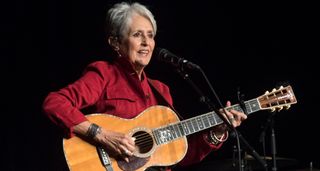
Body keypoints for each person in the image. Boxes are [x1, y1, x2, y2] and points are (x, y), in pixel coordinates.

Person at [42, 1, 247, 171]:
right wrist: (103, 135)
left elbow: (177, 154)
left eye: (150, 35)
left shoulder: (161, 91)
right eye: (137, 35)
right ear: (116, 43)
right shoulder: (104, 74)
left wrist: (217, 131)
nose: (146, 43)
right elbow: (55, 103)